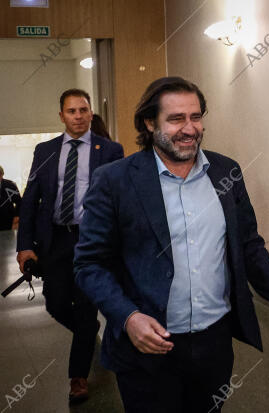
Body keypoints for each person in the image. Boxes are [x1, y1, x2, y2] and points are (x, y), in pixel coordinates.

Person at [74, 76, 269, 413]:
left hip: (214, 342)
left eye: (196, 117)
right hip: (148, 347)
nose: (189, 128)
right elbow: (89, 264)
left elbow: (248, 244)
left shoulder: (226, 172)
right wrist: (128, 317)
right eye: (176, 119)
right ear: (150, 123)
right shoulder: (115, 180)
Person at [16, 89, 124, 402]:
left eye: (83, 110)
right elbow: (29, 200)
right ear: (61, 115)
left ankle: (78, 378)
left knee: (87, 305)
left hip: (93, 239)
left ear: (91, 113)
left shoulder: (111, 150)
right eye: (71, 111)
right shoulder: (45, 150)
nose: (78, 116)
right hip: (55, 239)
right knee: (56, 303)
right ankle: (87, 334)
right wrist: (25, 246)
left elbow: (120, 199)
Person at [0, 166, 21, 230]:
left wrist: (17, 216)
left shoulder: (10, 185)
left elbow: (19, 202)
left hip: (8, 221)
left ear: (1, 175)